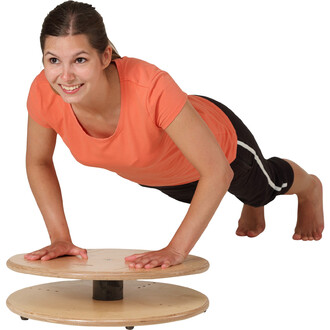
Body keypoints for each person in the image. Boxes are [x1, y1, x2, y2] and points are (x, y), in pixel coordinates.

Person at [24, 0, 324, 269]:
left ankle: (309, 188)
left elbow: (217, 173)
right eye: (53, 60)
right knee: (212, 195)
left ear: (104, 57)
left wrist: (176, 250)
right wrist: (60, 238)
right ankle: (250, 201)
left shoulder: (150, 87)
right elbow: (38, 161)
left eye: (79, 60)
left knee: (264, 187)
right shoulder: (44, 91)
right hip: (165, 176)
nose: (65, 77)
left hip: (222, 151)